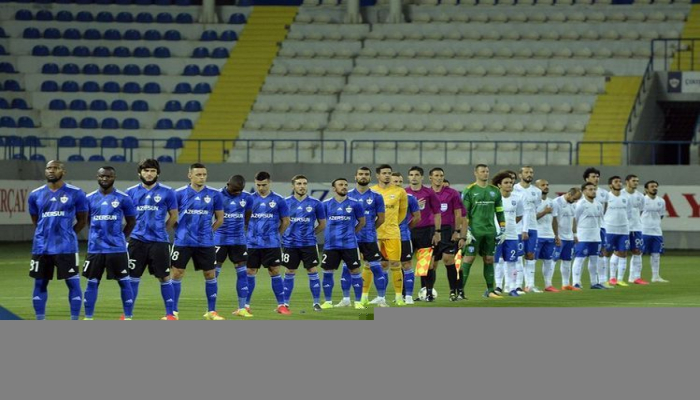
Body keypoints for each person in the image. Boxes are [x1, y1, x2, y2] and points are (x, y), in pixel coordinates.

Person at [28, 160, 87, 320]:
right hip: (41, 247)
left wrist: (68, 234)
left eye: (55, 168)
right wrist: (44, 234)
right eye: (49, 168)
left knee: (73, 283)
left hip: (66, 248)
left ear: (63, 171)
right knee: (40, 283)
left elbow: (82, 220)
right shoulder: (35, 194)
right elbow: (36, 220)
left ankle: (74, 320)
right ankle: (40, 320)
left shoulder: (76, 193)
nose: (51, 171)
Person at [126, 159, 178, 320]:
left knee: (164, 277)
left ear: (158, 173)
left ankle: (170, 314)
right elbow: (126, 216)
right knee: (133, 277)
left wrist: (163, 230)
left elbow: (174, 216)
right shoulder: (130, 192)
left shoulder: (168, 192)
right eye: (146, 170)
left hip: (159, 242)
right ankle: (127, 314)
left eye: (152, 171)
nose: (149, 174)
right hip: (137, 241)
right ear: (139, 173)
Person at [171, 163, 225, 320]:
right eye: (198, 174)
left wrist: (209, 232)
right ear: (190, 175)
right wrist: (179, 230)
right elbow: (172, 216)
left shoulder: (215, 194)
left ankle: (211, 311)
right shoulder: (178, 193)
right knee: (177, 273)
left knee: (210, 274)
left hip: (205, 242)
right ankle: (173, 311)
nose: (202, 177)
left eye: (204, 174)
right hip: (183, 242)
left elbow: (220, 219)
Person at [82, 167, 137, 320]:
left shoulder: (123, 198)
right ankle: (88, 317)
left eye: (108, 176)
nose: (105, 179)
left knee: (124, 282)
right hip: (95, 249)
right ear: (97, 177)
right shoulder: (89, 198)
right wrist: (96, 235)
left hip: (117, 249)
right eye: (102, 176)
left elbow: (131, 222)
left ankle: (128, 317)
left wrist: (121, 237)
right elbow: (87, 220)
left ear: (114, 177)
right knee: (92, 282)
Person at [245, 171, 291, 315]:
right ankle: (245, 306)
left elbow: (286, 221)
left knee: (275, 271)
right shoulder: (249, 199)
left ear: (269, 183)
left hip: (272, 244)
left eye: (264, 185)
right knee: (250, 271)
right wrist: (250, 233)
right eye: (258, 185)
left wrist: (276, 235)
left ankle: (281, 305)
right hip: (252, 244)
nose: (261, 188)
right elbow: (244, 220)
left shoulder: (279, 200)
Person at [459, 164, 505, 299]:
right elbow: (464, 213)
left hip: (490, 231)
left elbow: (499, 211)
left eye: (487, 171)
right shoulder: (470, 190)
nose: (485, 173)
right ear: (476, 173)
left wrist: (502, 228)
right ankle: (460, 291)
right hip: (475, 231)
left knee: (489, 259)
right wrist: (466, 230)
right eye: (482, 171)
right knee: (469, 258)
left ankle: (490, 290)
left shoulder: (495, 191)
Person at [319, 178, 366, 309]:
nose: (344, 186)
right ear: (334, 188)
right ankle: (328, 302)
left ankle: (358, 302)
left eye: (345, 184)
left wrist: (352, 233)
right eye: (340, 185)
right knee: (327, 271)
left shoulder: (355, 204)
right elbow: (321, 222)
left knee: (355, 270)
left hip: (350, 245)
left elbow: (362, 222)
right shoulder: (325, 204)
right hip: (331, 245)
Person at [343, 167, 387, 307]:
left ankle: (381, 298)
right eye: (361, 174)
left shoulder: (376, 196)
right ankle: (346, 299)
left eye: (366, 174)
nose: (363, 176)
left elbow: (381, 218)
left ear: (370, 177)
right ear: (355, 177)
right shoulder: (347, 195)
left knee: (376, 268)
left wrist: (371, 229)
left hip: (369, 238)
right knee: (347, 268)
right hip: (351, 240)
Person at [282, 175, 326, 311]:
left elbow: (322, 224)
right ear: (293, 186)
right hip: (290, 244)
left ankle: (316, 303)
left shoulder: (315, 203)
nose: (302, 186)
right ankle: (285, 303)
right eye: (299, 183)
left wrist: (311, 234)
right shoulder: (285, 203)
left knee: (312, 270)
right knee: (289, 271)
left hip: (309, 244)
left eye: (304, 183)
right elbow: (280, 222)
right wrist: (284, 234)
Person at [214, 175, 253, 317]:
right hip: (219, 240)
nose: (237, 193)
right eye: (235, 190)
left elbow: (247, 215)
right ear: (228, 184)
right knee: (213, 274)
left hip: (238, 241)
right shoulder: (217, 196)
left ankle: (242, 308)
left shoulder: (247, 197)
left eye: (239, 190)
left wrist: (243, 229)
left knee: (242, 273)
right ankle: (211, 310)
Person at [370, 164, 408, 305]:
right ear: (378, 175)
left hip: (392, 233)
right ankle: (381, 296)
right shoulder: (371, 191)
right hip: (375, 233)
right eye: (384, 173)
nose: (387, 175)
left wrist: (393, 224)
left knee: (396, 264)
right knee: (378, 265)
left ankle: (399, 297)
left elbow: (402, 213)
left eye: (389, 173)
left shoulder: (400, 192)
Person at [404, 166, 442, 301]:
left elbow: (437, 213)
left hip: (425, 231)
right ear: (408, 177)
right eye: (411, 174)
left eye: (416, 175)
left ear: (422, 177)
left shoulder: (429, 193)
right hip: (407, 231)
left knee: (425, 264)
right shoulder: (403, 193)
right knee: (405, 262)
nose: (414, 177)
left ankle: (428, 293)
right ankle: (404, 294)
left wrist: (437, 231)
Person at [429, 167, 465, 301]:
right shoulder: (427, 193)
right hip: (429, 230)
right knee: (429, 263)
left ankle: (453, 291)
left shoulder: (452, 193)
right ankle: (427, 292)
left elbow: (459, 214)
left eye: (441, 175)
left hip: (447, 230)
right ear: (430, 178)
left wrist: (457, 231)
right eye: (436, 175)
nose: (439, 178)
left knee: (448, 259)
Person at [491, 171, 523, 297]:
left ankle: (511, 288)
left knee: (512, 261)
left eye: (511, 182)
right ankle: (498, 286)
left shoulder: (517, 198)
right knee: (497, 261)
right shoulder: (493, 198)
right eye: (506, 182)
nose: (509, 184)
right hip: (496, 235)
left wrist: (508, 226)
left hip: (512, 235)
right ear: (499, 185)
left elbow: (519, 216)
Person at [392, 172, 421, 304]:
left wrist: (406, 228)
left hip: (403, 236)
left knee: (407, 264)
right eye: (395, 181)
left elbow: (417, 217)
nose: (398, 184)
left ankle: (408, 296)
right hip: (387, 237)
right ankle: (395, 296)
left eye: (400, 181)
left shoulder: (410, 198)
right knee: (386, 265)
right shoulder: (381, 197)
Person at [513, 166, 542, 293]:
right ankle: (518, 285)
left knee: (530, 256)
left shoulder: (537, 191)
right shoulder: (514, 189)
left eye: (531, 172)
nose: (529, 174)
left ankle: (530, 285)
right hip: (518, 227)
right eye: (526, 172)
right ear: (520, 175)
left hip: (533, 227)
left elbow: (535, 208)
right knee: (519, 256)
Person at [572, 182, 606, 290]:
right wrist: (575, 234)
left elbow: (601, 221)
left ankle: (594, 283)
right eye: (590, 189)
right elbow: (574, 220)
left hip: (596, 236)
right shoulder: (580, 204)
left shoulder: (599, 204)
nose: (593, 191)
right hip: (583, 237)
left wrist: (601, 236)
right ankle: (576, 282)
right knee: (580, 259)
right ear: (584, 191)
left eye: (594, 189)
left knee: (594, 259)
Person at [583, 167, 611, 287]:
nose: (596, 178)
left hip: (600, 227)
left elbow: (604, 210)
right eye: (593, 176)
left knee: (600, 253)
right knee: (581, 256)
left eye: (597, 176)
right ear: (586, 179)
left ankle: (602, 281)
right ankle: (576, 282)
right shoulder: (581, 193)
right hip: (585, 230)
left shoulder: (604, 193)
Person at [551, 187, 582, 291]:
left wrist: (575, 234)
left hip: (569, 237)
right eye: (574, 198)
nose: (575, 201)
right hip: (559, 237)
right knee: (553, 260)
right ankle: (548, 284)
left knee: (567, 260)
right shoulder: (556, 202)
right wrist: (556, 235)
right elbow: (553, 220)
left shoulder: (573, 204)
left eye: (577, 199)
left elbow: (573, 220)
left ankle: (566, 284)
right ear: (569, 194)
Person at [604, 176, 632, 286]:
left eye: (620, 181)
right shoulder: (606, 197)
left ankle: (620, 279)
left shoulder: (626, 197)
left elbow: (628, 214)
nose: (619, 183)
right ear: (610, 185)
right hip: (609, 229)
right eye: (616, 182)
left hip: (623, 229)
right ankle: (607, 278)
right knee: (606, 253)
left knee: (623, 253)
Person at [641, 180, 667, 283]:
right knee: (638, 254)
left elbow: (661, 215)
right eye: (652, 186)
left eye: (656, 186)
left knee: (656, 254)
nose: (654, 188)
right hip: (643, 231)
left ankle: (655, 277)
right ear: (646, 189)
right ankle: (635, 276)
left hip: (657, 232)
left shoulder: (661, 201)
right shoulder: (642, 200)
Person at [534, 179, 558, 292]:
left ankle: (548, 284)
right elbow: (531, 218)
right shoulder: (534, 202)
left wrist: (556, 235)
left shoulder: (552, 202)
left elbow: (554, 220)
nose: (546, 186)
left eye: (547, 185)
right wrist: (545, 211)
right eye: (542, 185)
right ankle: (529, 284)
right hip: (537, 235)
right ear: (536, 187)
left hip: (550, 235)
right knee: (532, 260)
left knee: (548, 261)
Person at [624, 174, 647, 284]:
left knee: (637, 251)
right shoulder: (621, 194)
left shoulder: (640, 196)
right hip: (623, 227)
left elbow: (641, 210)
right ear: (627, 181)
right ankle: (616, 277)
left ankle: (635, 277)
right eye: (633, 180)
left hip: (636, 227)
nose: (636, 183)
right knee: (620, 252)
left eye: (637, 181)